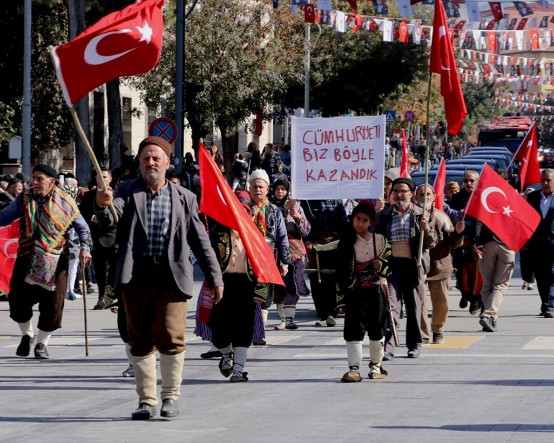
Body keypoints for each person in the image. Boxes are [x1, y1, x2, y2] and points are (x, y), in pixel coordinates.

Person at [94, 136, 224, 420]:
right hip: (136, 275)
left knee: (171, 335)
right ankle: (146, 401)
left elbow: (201, 242)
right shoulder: (127, 191)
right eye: (145, 158)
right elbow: (109, 223)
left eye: (155, 157)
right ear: (139, 164)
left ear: (168, 162)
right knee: (139, 338)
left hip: (172, 276)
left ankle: (170, 397)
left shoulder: (185, 198)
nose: (150, 162)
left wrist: (215, 278)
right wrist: (102, 206)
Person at [0, 164, 92, 359]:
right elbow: (5, 217)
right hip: (27, 256)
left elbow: (83, 228)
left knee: (53, 304)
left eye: (39, 178)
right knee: (16, 301)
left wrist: (85, 248)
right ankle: (27, 335)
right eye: (33, 178)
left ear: (52, 182)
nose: (34, 182)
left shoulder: (66, 202)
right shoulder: (24, 199)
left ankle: (42, 343)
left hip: (56, 260)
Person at [208, 190, 284, 382]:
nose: (239, 214)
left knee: (243, 328)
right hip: (223, 284)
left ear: (249, 213)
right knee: (217, 328)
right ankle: (226, 355)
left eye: (244, 211)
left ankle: (239, 370)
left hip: (246, 285)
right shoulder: (218, 232)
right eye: (236, 210)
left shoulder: (256, 236)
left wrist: (260, 292)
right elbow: (208, 258)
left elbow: (264, 265)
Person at [374, 177, 437, 359]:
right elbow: (376, 240)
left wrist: (427, 229)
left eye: (403, 191)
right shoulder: (383, 216)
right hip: (391, 266)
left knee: (414, 306)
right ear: (391, 194)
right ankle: (389, 346)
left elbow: (431, 243)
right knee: (390, 306)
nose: (400, 194)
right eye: (396, 191)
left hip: (413, 266)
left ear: (411, 194)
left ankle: (414, 344)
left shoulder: (421, 214)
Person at [336, 202, 391, 382]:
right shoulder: (346, 241)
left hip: (375, 291)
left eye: (364, 220)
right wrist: (341, 297)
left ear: (371, 222)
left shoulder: (380, 240)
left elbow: (391, 266)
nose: (359, 223)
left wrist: (380, 265)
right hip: (355, 292)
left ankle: (376, 366)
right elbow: (340, 272)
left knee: (377, 329)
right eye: (357, 219)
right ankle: (354, 369)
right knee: (353, 329)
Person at [246, 169, 292, 343]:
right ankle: (247, 330)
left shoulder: (273, 210)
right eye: (254, 186)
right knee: (247, 295)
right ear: (249, 188)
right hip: (246, 258)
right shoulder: (243, 207)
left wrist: (284, 262)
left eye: (261, 187)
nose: (257, 189)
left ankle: (259, 333)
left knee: (265, 297)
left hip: (267, 257)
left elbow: (282, 237)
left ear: (267, 189)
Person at [415, 185, 464, 344]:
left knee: (441, 302)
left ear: (434, 196)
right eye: (421, 194)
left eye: (428, 194)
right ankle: (422, 333)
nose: (424, 197)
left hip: (440, 266)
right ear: (416, 197)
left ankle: (437, 330)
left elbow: (454, 243)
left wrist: (458, 232)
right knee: (419, 303)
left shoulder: (442, 217)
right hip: (418, 267)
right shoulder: (410, 216)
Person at [270, 179, 311, 330]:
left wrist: (298, 218)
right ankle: (282, 319)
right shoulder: (270, 208)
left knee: (292, 284)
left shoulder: (298, 208)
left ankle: (290, 319)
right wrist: (283, 211)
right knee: (278, 286)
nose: (280, 192)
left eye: (283, 189)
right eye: (277, 189)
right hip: (275, 252)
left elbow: (306, 231)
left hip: (295, 253)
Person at [302, 199, 349, 327]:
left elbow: (344, 223)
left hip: (334, 244)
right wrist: (306, 240)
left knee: (332, 277)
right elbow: (301, 223)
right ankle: (322, 310)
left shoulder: (337, 200)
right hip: (314, 245)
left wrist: (343, 241)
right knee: (316, 277)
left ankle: (331, 311)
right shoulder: (306, 201)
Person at [79, 166, 118, 310]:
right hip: (96, 237)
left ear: (110, 179)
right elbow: (82, 216)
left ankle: (111, 295)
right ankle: (102, 297)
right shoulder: (89, 196)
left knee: (114, 269)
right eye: (99, 177)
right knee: (100, 269)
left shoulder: (117, 194)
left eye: (105, 177)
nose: (102, 180)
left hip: (114, 237)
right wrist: (92, 218)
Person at [450, 170, 483, 316]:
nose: (468, 183)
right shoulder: (457, 198)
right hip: (461, 241)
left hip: (479, 241)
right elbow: (450, 215)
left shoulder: (483, 196)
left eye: (471, 181)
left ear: (477, 181)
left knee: (477, 273)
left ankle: (476, 299)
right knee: (462, 272)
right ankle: (466, 294)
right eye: (466, 181)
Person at [474, 221, 515, 333]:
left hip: (487, 243)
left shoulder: (486, 202)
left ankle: (490, 319)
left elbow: (478, 221)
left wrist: (477, 241)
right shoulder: (513, 203)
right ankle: (488, 315)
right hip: (507, 244)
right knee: (501, 284)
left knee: (487, 284)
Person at [527, 169, 554, 318]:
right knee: (541, 275)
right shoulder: (533, 197)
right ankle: (545, 303)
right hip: (537, 244)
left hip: (553, 243)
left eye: (548, 180)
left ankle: (550, 305)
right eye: (542, 180)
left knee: (552, 274)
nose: (544, 183)